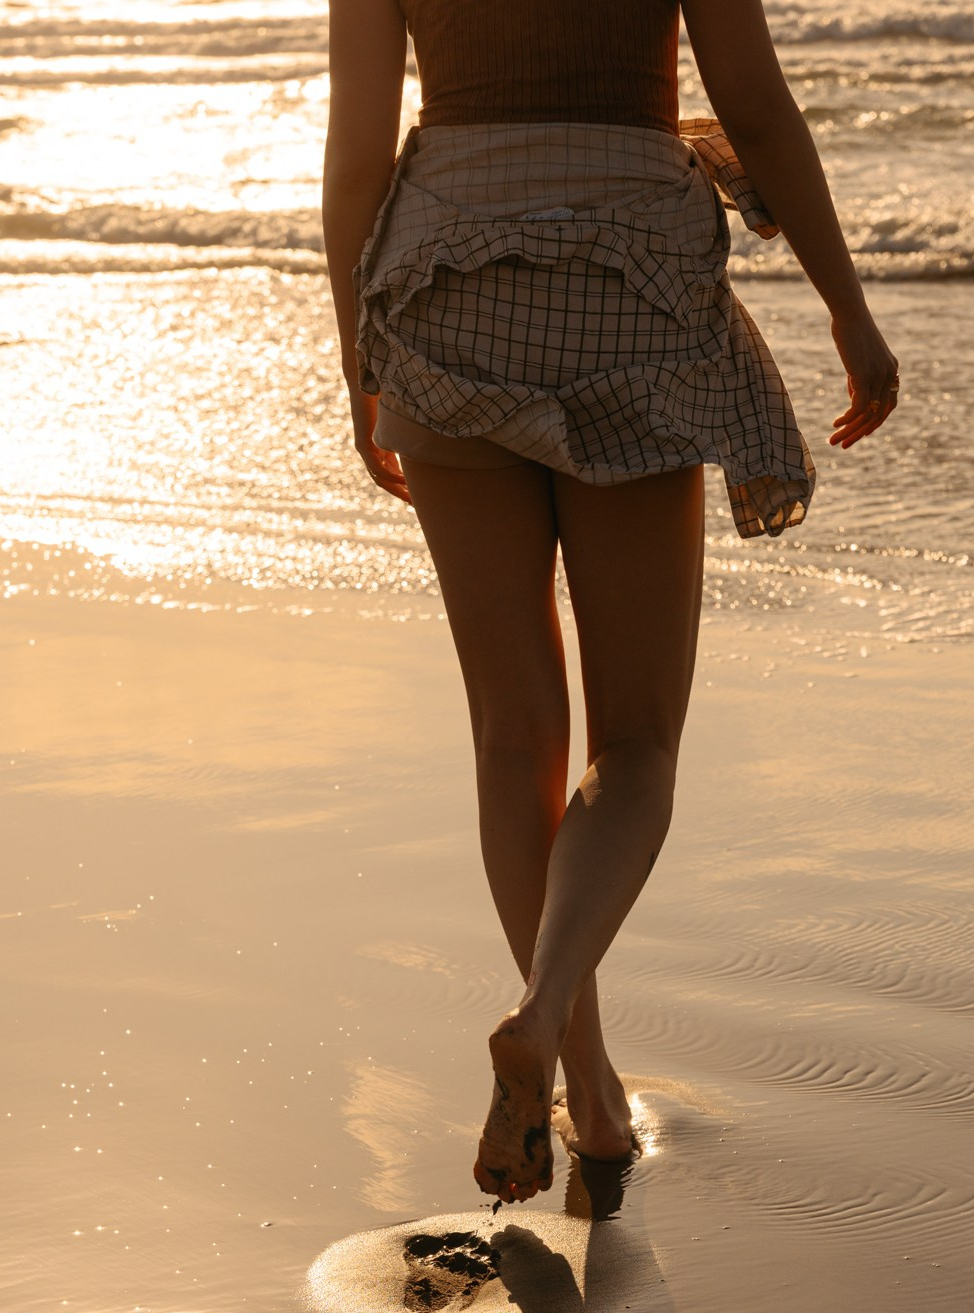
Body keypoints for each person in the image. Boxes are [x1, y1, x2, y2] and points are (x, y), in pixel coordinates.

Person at [322, 0, 898, 1204]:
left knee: (510, 736)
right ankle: (538, 1023)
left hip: (440, 287)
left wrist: (354, 348)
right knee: (630, 745)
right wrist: (847, 308)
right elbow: (752, 102)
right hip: (629, 291)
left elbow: (359, 142)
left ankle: (583, 1089)